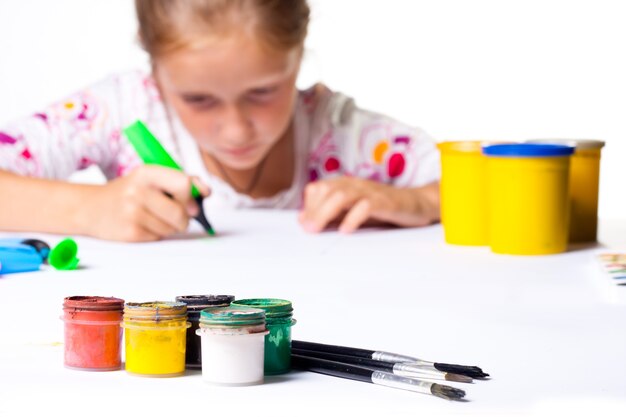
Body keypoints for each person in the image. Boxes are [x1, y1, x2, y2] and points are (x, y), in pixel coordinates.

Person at [0, 0, 440, 242]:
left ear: (298, 51)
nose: (235, 129)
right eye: (198, 98)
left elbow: (495, 177)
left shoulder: (341, 133)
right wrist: (88, 209)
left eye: (262, 92)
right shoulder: (122, 109)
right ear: (155, 67)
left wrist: (418, 202)